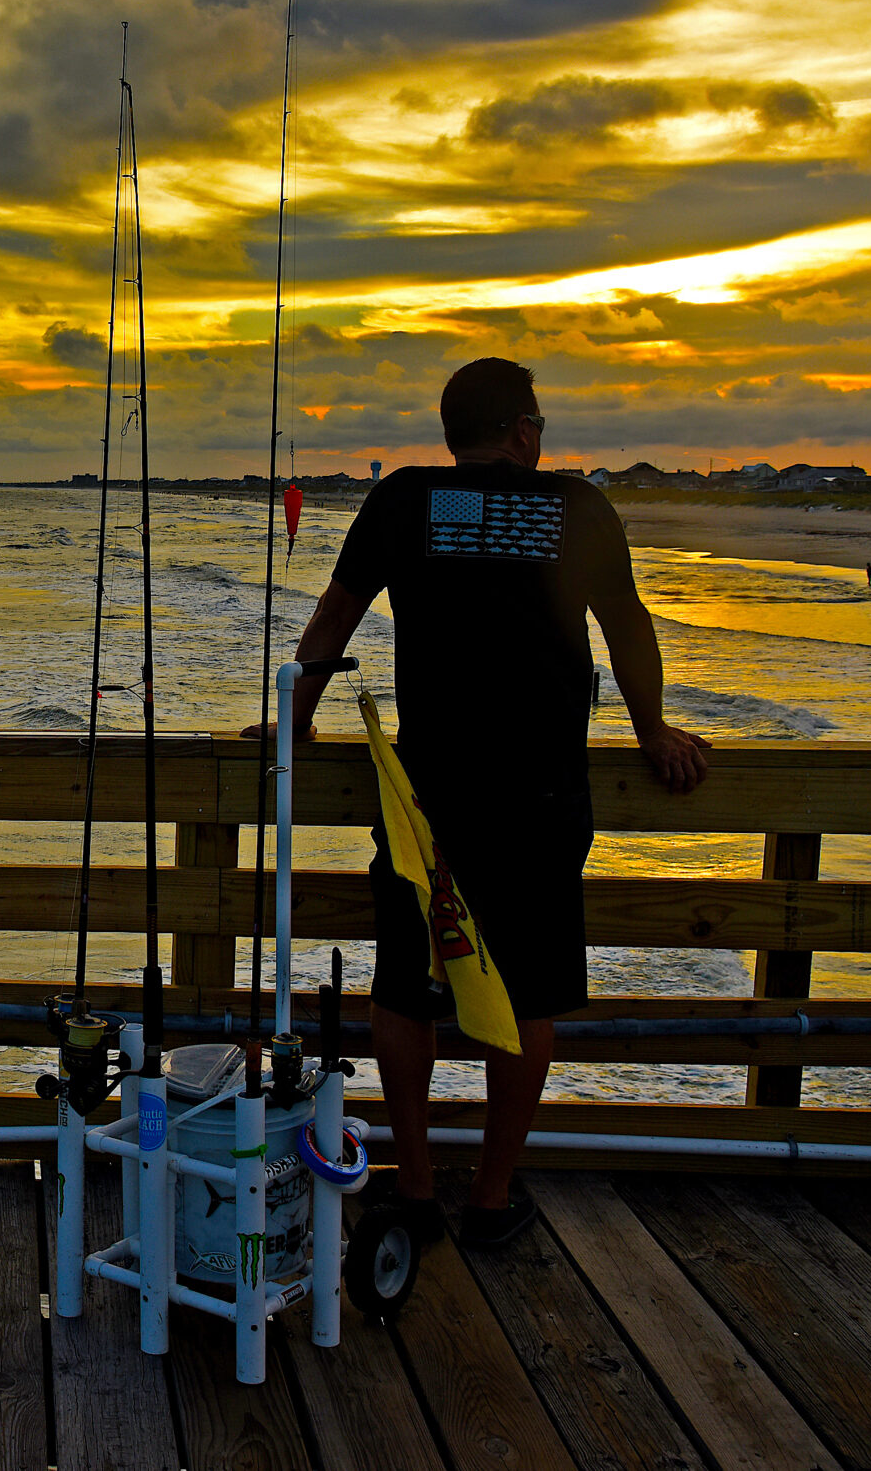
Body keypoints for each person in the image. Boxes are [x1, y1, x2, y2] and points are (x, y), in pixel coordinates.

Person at [252, 358, 708, 1249]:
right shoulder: (576, 508)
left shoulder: (405, 502)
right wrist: (652, 729)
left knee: (406, 986)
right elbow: (628, 627)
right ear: (525, 431)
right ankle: (492, 1199)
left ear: (454, 431)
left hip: (428, 793)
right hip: (540, 792)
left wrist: (291, 724)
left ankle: (416, 1191)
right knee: (527, 990)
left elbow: (329, 624)